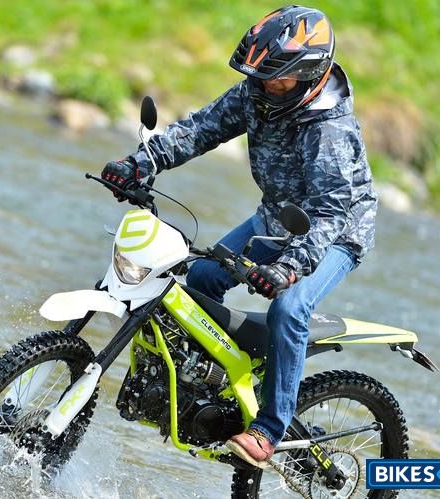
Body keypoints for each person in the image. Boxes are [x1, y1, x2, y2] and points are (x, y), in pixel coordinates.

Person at [101, 5, 377, 468]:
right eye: (261, 77)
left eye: (278, 80)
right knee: (202, 278)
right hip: (276, 217)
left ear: (308, 77)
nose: (266, 86)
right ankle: (209, 384)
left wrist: (289, 268)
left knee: (288, 309)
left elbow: (330, 213)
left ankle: (269, 428)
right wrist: (138, 164)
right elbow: (199, 130)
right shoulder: (258, 93)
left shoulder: (328, 129)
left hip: (334, 234)